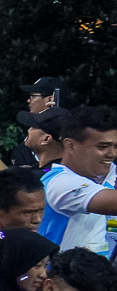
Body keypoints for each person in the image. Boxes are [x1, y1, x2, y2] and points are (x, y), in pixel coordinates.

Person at [40, 106, 117, 259]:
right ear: (70, 145)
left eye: (116, 146)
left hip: (94, 271)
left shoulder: (101, 173)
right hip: (58, 273)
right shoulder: (60, 183)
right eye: (102, 147)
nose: (112, 154)